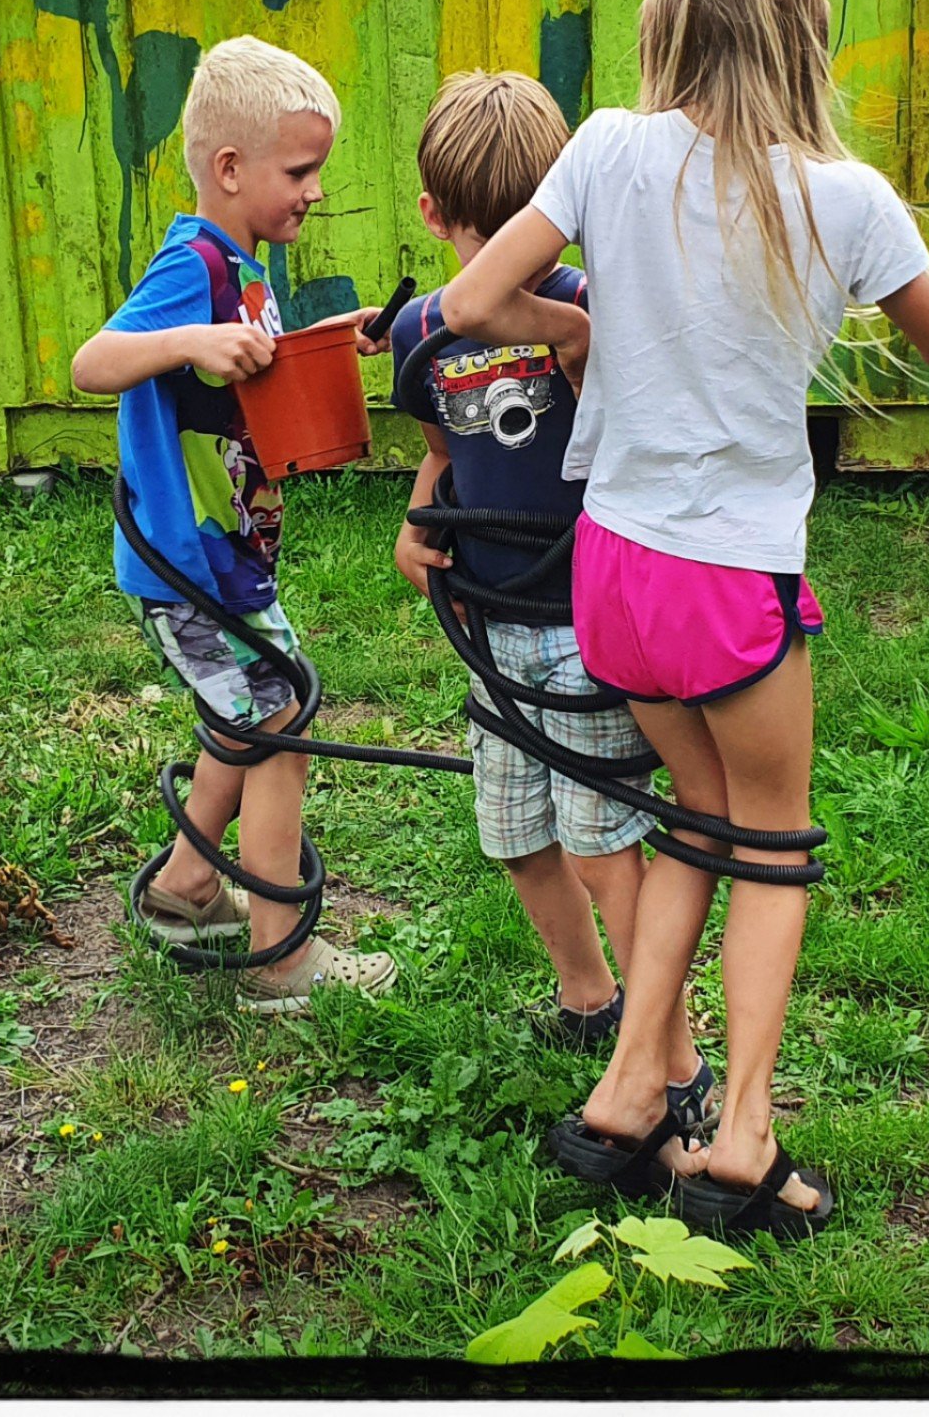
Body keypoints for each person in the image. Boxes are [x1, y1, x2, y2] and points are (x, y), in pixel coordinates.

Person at [440, 0, 929, 1237]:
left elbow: (465, 307)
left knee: (692, 815)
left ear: (664, 13)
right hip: (731, 588)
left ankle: (628, 1089)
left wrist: (584, 326)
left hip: (611, 572)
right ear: (806, 23)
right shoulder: (845, 194)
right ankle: (739, 1133)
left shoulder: (608, 150)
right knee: (773, 847)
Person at [388, 71, 714, 1131]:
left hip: (586, 623)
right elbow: (442, 450)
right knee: (515, 833)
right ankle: (588, 997)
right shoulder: (419, 337)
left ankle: (671, 1056)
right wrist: (417, 514)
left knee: (600, 840)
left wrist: (566, 331)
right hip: (491, 627)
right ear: (436, 219)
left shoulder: (583, 309)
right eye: (478, 233)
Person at [71, 34, 395, 1014]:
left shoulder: (246, 268)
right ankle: (279, 956)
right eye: (299, 172)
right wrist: (192, 336)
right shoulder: (194, 265)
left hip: (226, 554)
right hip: (188, 562)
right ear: (228, 168)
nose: (311, 190)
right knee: (283, 717)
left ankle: (182, 889)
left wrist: (344, 337)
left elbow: (254, 372)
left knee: (241, 719)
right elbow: (93, 364)